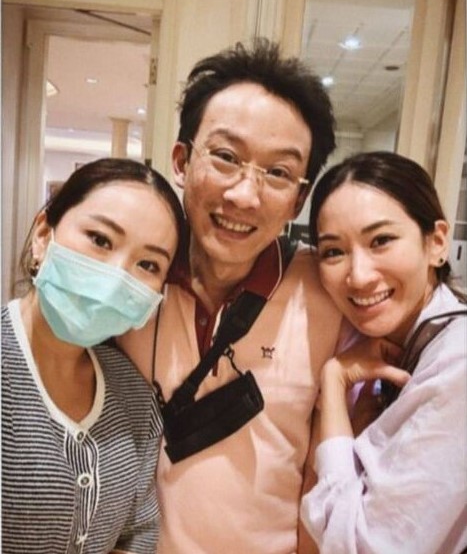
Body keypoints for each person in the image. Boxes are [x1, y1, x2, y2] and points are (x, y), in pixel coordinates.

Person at [118, 39, 346, 553]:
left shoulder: (327, 295)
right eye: (225, 157)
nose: (244, 195)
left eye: (278, 173)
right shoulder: (132, 277)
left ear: (299, 199)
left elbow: (328, 476)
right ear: (182, 161)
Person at [1, 157, 186, 554]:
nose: (117, 277)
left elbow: (139, 530)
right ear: (43, 234)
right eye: (100, 240)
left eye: (148, 264)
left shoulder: (134, 397)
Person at [301, 151, 467, 554]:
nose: (358, 276)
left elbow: (360, 546)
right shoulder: (407, 349)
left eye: (381, 241)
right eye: (334, 252)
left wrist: (333, 384)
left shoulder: (457, 361)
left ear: (437, 242)